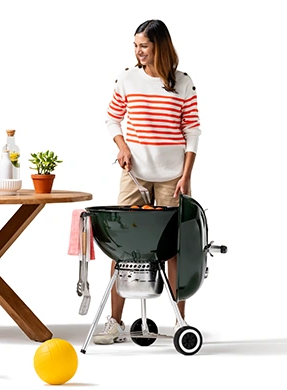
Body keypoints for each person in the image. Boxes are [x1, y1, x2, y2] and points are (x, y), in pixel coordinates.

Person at [93, 19, 202, 345]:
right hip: (134, 175)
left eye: (144, 46)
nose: (138, 51)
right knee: (121, 246)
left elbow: (192, 131)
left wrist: (186, 175)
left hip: (172, 178)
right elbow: (112, 118)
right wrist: (123, 148)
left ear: (160, 47)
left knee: (175, 249)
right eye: (136, 46)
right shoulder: (127, 79)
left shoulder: (182, 83)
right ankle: (115, 322)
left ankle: (181, 322)